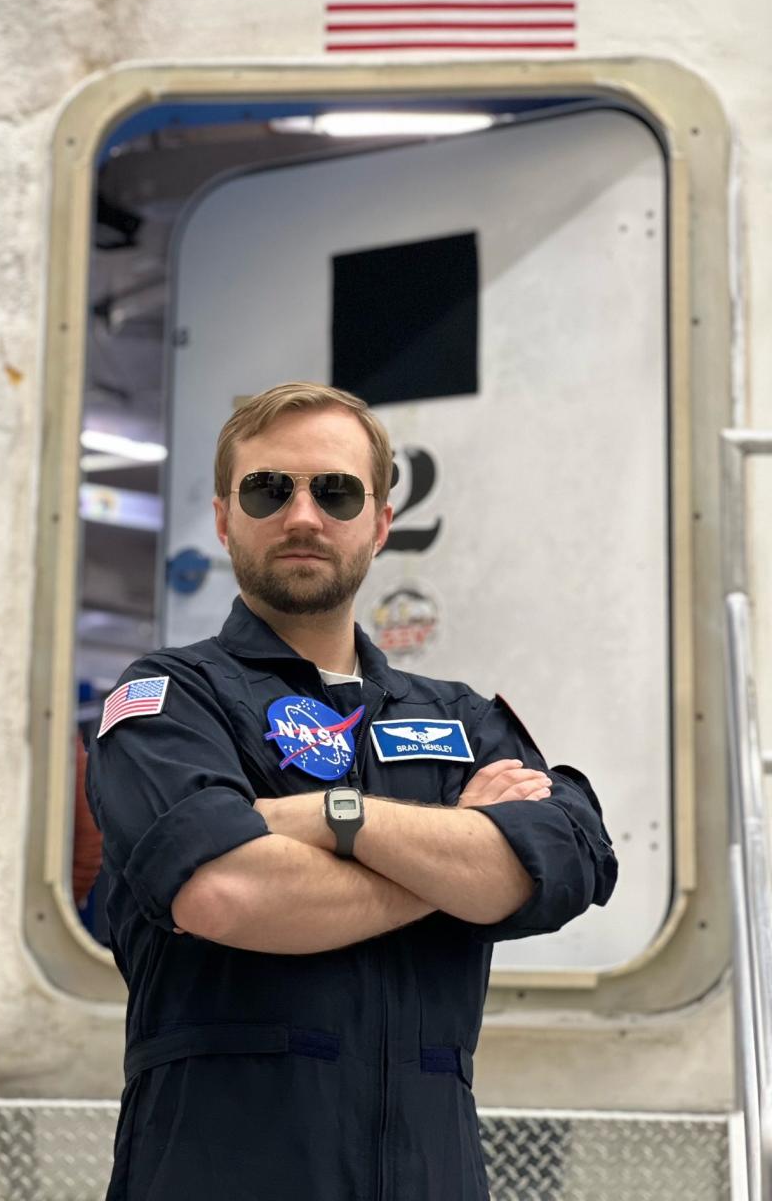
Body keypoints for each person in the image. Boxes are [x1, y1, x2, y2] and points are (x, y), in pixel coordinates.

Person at [86, 381, 617, 1201]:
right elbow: (226, 891)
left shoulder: (460, 718)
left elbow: (565, 864)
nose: (303, 516)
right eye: (270, 490)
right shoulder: (168, 700)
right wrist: (452, 858)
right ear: (226, 518)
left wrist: (337, 817)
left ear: (379, 522)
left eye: (335, 492)